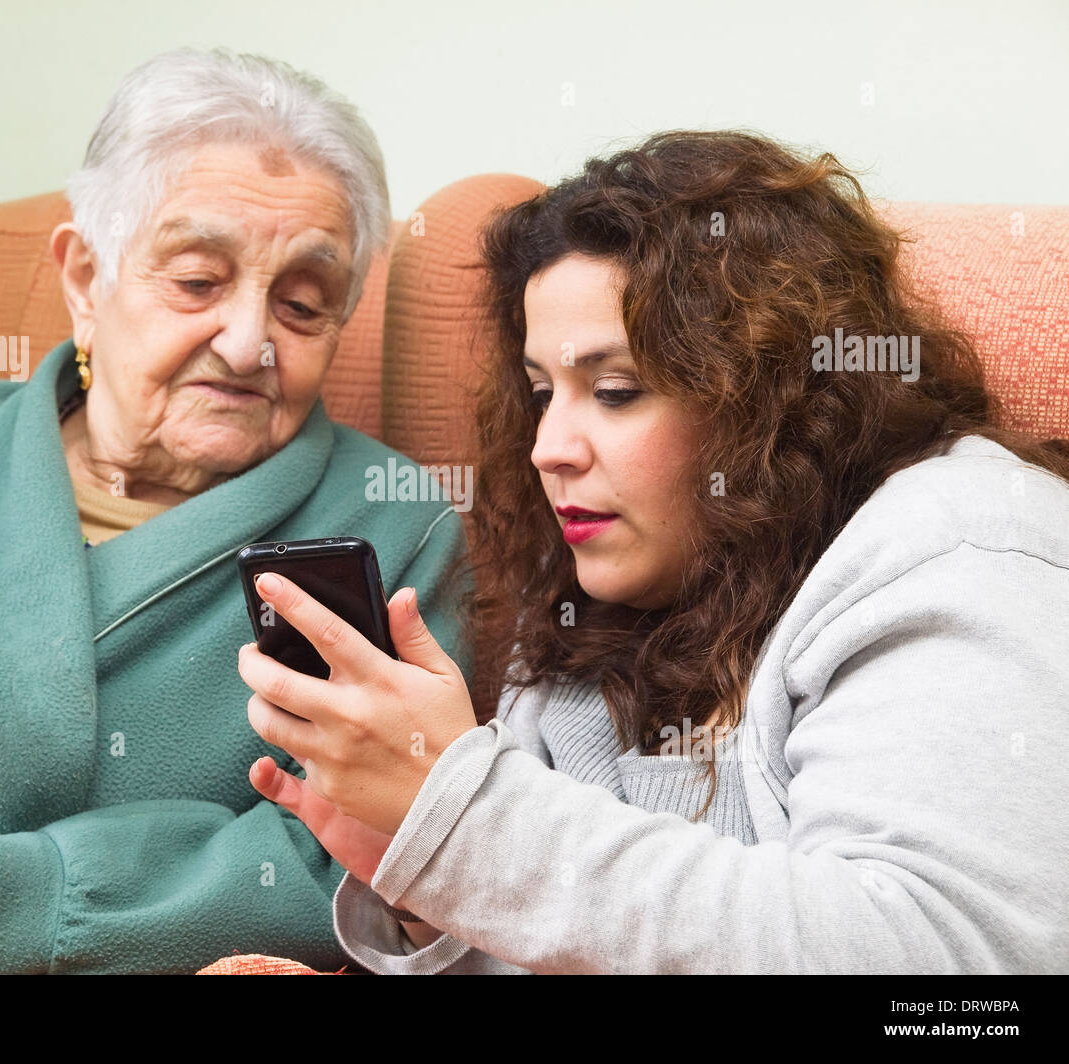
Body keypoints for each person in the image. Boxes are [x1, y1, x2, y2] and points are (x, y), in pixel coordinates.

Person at [238, 130, 1069, 974]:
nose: (548, 447)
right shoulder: (599, 589)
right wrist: (426, 896)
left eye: (615, 391)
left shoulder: (960, 542)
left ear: (774, 394)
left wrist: (469, 822)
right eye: (539, 393)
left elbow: (939, 967)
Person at [0, 47, 470, 974]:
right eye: (197, 282)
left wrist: (13, 908)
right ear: (84, 278)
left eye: (304, 304)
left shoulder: (396, 531)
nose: (252, 340)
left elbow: (354, 862)